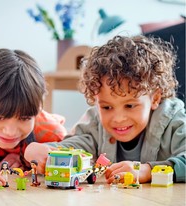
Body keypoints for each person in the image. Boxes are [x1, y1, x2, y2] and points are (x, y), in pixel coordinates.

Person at [24, 35, 186, 184]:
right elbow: (77, 145)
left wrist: (148, 170)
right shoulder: (94, 122)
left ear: (155, 98)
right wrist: (47, 151)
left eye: (130, 105)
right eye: (107, 107)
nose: (118, 118)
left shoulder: (174, 120)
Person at [0, 49, 67, 187]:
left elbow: (74, 159)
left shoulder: (49, 130)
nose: (10, 131)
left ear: (38, 108)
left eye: (25, 118)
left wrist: (28, 158)